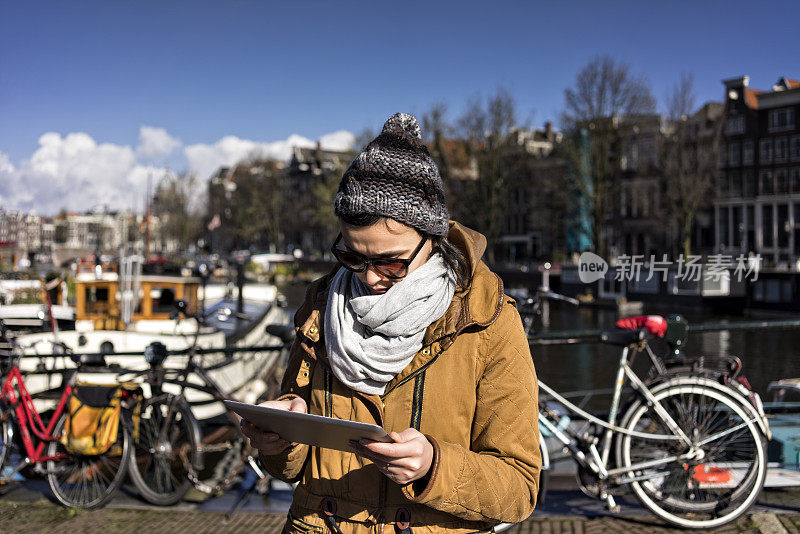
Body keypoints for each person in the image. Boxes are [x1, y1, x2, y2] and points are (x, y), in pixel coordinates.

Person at [242, 113, 541, 533]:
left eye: (390, 261)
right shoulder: (320, 307)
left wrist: (435, 467)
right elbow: (288, 470)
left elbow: (520, 489)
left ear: (432, 239)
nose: (368, 276)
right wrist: (282, 439)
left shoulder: (488, 322)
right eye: (353, 256)